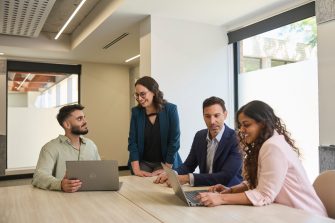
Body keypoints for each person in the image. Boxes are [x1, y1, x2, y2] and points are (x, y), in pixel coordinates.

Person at [197, 100, 327, 217]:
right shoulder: (267, 144)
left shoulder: (273, 146)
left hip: (307, 216)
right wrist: (231, 190)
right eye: (241, 125)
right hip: (286, 214)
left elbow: (264, 195)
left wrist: (220, 199)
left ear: (263, 124)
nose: (241, 130)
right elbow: (263, 181)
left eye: (246, 125)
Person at [155, 96, 242, 186]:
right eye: (207, 116)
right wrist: (172, 174)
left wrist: (187, 178)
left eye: (216, 115)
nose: (212, 121)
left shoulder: (237, 139)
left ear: (225, 114)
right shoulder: (199, 136)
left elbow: (225, 176)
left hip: (228, 191)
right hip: (205, 189)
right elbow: (188, 165)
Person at [32, 104, 100, 192]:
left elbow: (99, 172)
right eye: (79, 119)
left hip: (91, 197)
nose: (85, 121)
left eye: (84, 117)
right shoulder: (50, 148)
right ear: (67, 124)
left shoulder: (91, 145)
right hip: (62, 200)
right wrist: (60, 184)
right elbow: (39, 177)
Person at [128, 76, 182, 177]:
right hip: (143, 162)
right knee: (138, 186)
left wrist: (167, 169)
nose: (139, 98)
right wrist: (136, 170)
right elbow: (132, 142)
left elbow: (174, 141)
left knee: (160, 186)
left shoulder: (171, 110)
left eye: (143, 94)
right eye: (137, 95)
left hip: (165, 162)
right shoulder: (136, 112)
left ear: (153, 92)